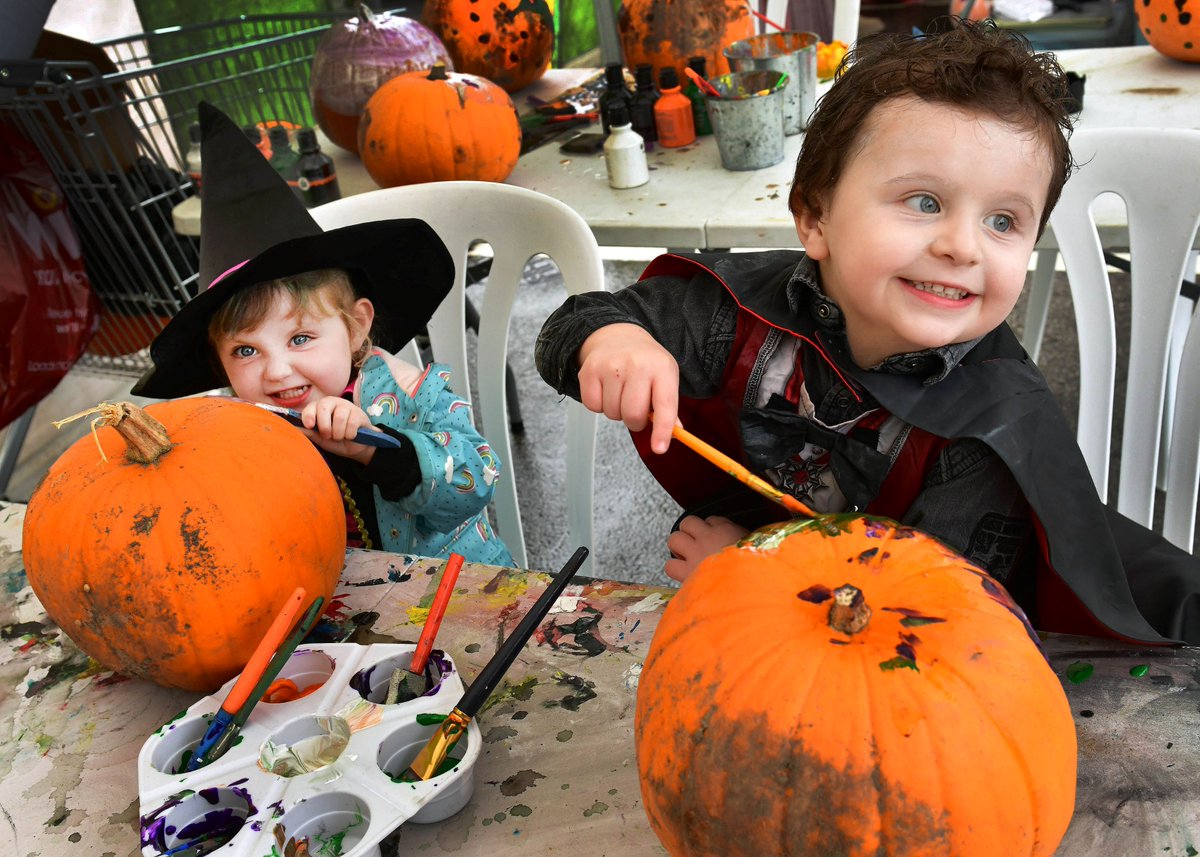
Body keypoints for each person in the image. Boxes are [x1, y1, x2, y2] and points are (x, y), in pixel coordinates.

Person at [536, 20, 1200, 645]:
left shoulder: (987, 440)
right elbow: (573, 327)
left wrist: (750, 571)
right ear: (815, 217)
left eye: (1003, 221)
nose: (962, 246)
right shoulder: (737, 316)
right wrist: (614, 340)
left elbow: (918, 622)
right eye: (925, 202)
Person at [133, 102, 513, 567]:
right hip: (328, 602)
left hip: (449, 588)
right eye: (246, 350)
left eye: (299, 339)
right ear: (219, 361)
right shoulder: (236, 424)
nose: (276, 370)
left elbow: (478, 479)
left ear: (355, 328)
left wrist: (375, 447)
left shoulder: (409, 393)